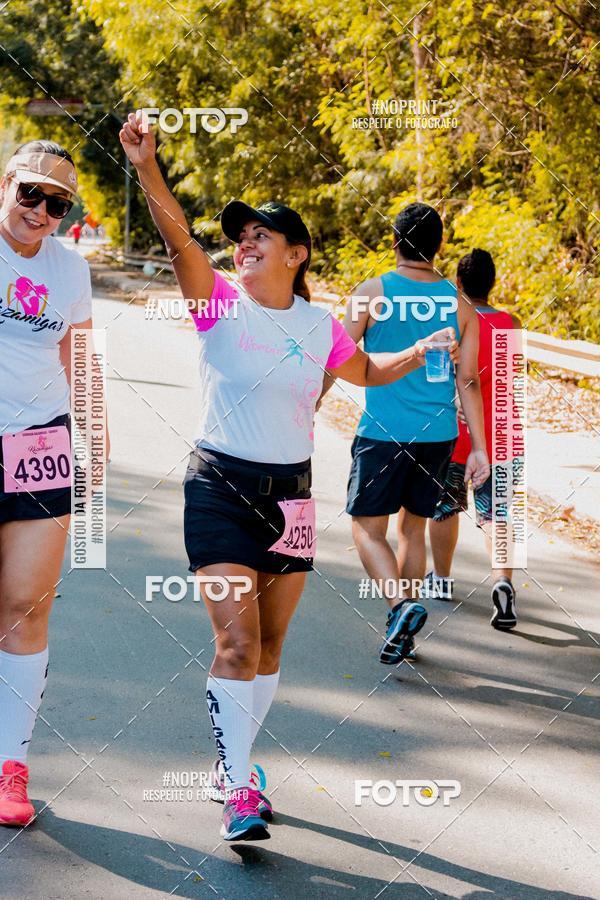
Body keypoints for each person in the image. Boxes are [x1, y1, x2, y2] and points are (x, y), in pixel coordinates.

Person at [119, 112, 459, 842]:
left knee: (271, 649)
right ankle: (239, 788)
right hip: (219, 486)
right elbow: (179, 234)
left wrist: (421, 349)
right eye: (241, 235)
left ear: (297, 254)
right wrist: (148, 166)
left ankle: (234, 763)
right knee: (236, 645)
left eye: (260, 235)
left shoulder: (320, 325)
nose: (244, 242)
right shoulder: (216, 306)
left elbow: (363, 371)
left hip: (294, 497)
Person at [0, 141, 106, 826]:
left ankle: (10, 766)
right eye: (30, 193)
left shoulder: (70, 272)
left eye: (56, 202)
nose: (41, 210)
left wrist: (93, 450)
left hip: (40, 444)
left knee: (26, 607)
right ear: (5, 185)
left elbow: (82, 359)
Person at [341, 202, 489, 665]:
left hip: (383, 432)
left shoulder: (370, 292)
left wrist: (310, 400)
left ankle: (400, 607)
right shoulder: (461, 304)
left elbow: (338, 355)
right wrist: (481, 447)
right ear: (439, 246)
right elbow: (468, 381)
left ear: (394, 242)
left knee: (367, 530)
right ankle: (401, 630)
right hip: (438, 435)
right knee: (413, 530)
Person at [425, 249, 522, 629]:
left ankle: (442, 579)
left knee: (445, 507)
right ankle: (502, 581)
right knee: (497, 513)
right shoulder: (509, 323)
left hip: (456, 433)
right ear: (492, 283)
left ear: (459, 284)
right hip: (501, 434)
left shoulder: (454, 322)